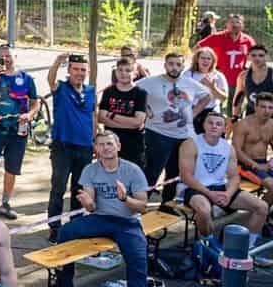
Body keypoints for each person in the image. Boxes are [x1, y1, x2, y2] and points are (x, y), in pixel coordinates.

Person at [54, 130, 163, 287]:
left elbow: (142, 206)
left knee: (138, 259)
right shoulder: (90, 170)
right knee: (65, 232)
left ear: (118, 146)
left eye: (110, 144)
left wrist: (124, 199)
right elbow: (92, 206)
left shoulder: (132, 170)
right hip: (100, 218)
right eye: (101, 144)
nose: (106, 148)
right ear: (96, 149)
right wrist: (88, 204)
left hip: (127, 222)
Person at [179, 111, 270, 252]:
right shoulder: (191, 143)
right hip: (196, 188)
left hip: (221, 187)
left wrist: (228, 193)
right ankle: (210, 246)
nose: (214, 126)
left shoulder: (228, 147)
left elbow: (234, 177)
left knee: (262, 207)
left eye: (218, 124)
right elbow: (186, 177)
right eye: (210, 122)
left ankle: (245, 248)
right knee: (204, 211)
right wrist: (210, 194)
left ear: (224, 129)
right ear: (203, 125)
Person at [136, 52, 212, 204]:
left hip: (183, 136)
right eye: (171, 64)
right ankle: (139, 205)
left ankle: (167, 205)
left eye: (178, 64)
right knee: (152, 171)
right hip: (158, 133)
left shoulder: (189, 83)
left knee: (175, 173)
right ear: (165, 65)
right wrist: (146, 111)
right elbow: (134, 92)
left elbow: (207, 95)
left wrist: (195, 112)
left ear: (183, 66)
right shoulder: (150, 82)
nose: (174, 67)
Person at [0, 43, 39, 218]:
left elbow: (35, 102)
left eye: (8, 55)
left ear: (15, 57)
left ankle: (5, 203)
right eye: (2, 56)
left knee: (12, 169)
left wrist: (30, 114)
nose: (6, 59)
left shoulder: (26, 78)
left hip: (18, 132)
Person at [45, 53, 96, 241]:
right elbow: (50, 80)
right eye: (75, 69)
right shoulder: (61, 88)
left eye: (83, 70)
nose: (79, 73)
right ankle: (54, 227)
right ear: (69, 71)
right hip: (63, 147)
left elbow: (92, 116)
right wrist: (57, 62)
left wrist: (95, 140)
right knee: (58, 188)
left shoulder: (90, 91)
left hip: (84, 148)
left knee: (79, 189)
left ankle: (76, 225)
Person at [98, 57, 149, 167]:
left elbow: (138, 122)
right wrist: (130, 124)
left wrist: (112, 115)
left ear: (135, 73)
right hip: (111, 144)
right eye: (120, 70)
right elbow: (101, 118)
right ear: (115, 72)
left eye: (128, 70)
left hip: (133, 146)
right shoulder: (108, 92)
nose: (123, 73)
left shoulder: (140, 93)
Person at [197, 14, 256, 106]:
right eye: (232, 22)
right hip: (218, 79)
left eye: (238, 22)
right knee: (215, 107)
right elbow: (198, 48)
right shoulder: (217, 37)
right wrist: (204, 65)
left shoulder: (248, 40)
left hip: (238, 80)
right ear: (226, 24)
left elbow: (257, 56)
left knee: (235, 108)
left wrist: (250, 70)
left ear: (242, 25)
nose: (235, 25)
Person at [234, 93, 273, 207]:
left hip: (263, 164)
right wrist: (257, 165)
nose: (267, 111)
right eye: (263, 107)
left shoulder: (271, 125)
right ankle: (261, 214)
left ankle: (265, 213)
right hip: (244, 165)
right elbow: (237, 151)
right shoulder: (243, 124)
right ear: (255, 107)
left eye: (270, 107)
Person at [187, 46, 229, 132]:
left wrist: (212, 87)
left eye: (208, 58)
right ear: (197, 60)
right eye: (202, 58)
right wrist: (199, 87)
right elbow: (182, 95)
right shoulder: (188, 74)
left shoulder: (218, 76)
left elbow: (223, 98)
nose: (205, 61)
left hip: (212, 112)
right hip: (193, 111)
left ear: (213, 61)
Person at [234, 43, 273, 118]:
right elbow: (238, 99)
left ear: (267, 57)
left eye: (261, 55)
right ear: (248, 57)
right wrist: (235, 117)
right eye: (253, 55)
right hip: (251, 117)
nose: (257, 58)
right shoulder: (243, 76)